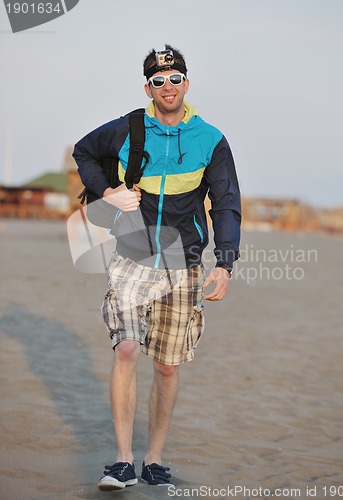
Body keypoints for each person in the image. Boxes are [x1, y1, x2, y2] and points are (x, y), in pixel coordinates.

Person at [72, 44, 241, 490]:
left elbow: (225, 204)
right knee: (126, 348)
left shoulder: (211, 139)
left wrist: (225, 263)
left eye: (175, 77)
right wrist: (108, 193)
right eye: (158, 80)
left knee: (167, 365)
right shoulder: (129, 128)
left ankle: (155, 460)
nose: (168, 86)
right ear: (148, 86)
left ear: (187, 82)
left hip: (183, 261)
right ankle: (123, 461)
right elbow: (83, 153)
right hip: (133, 251)